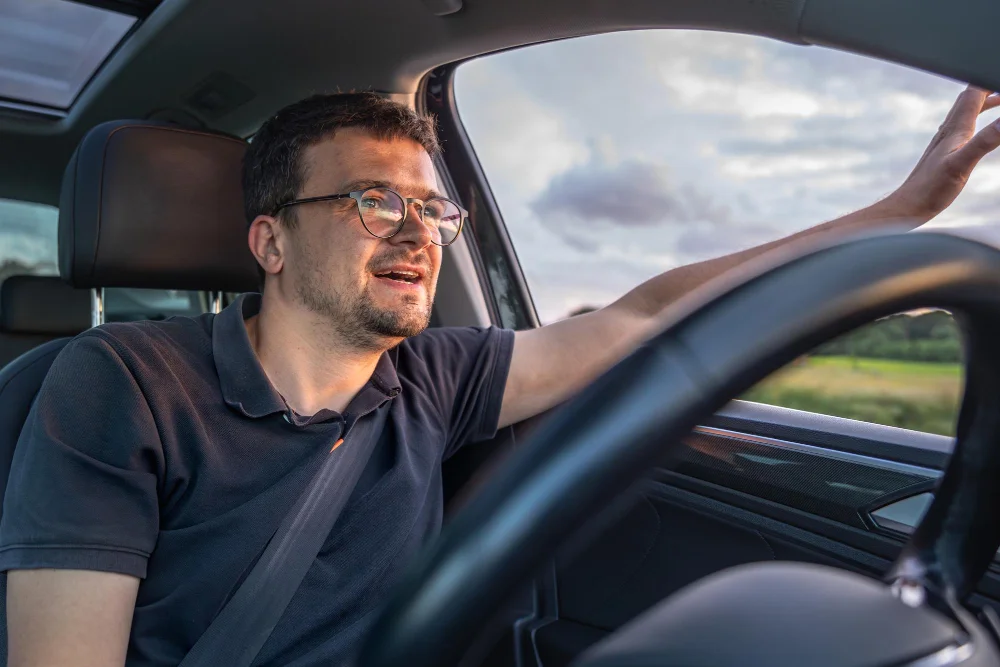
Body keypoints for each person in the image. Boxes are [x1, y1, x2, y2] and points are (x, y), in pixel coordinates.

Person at [3, 87, 999, 667]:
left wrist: (900, 210)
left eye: (431, 211)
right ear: (269, 238)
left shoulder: (437, 377)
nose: (414, 231)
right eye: (370, 198)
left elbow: (645, 314)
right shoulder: (118, 381)